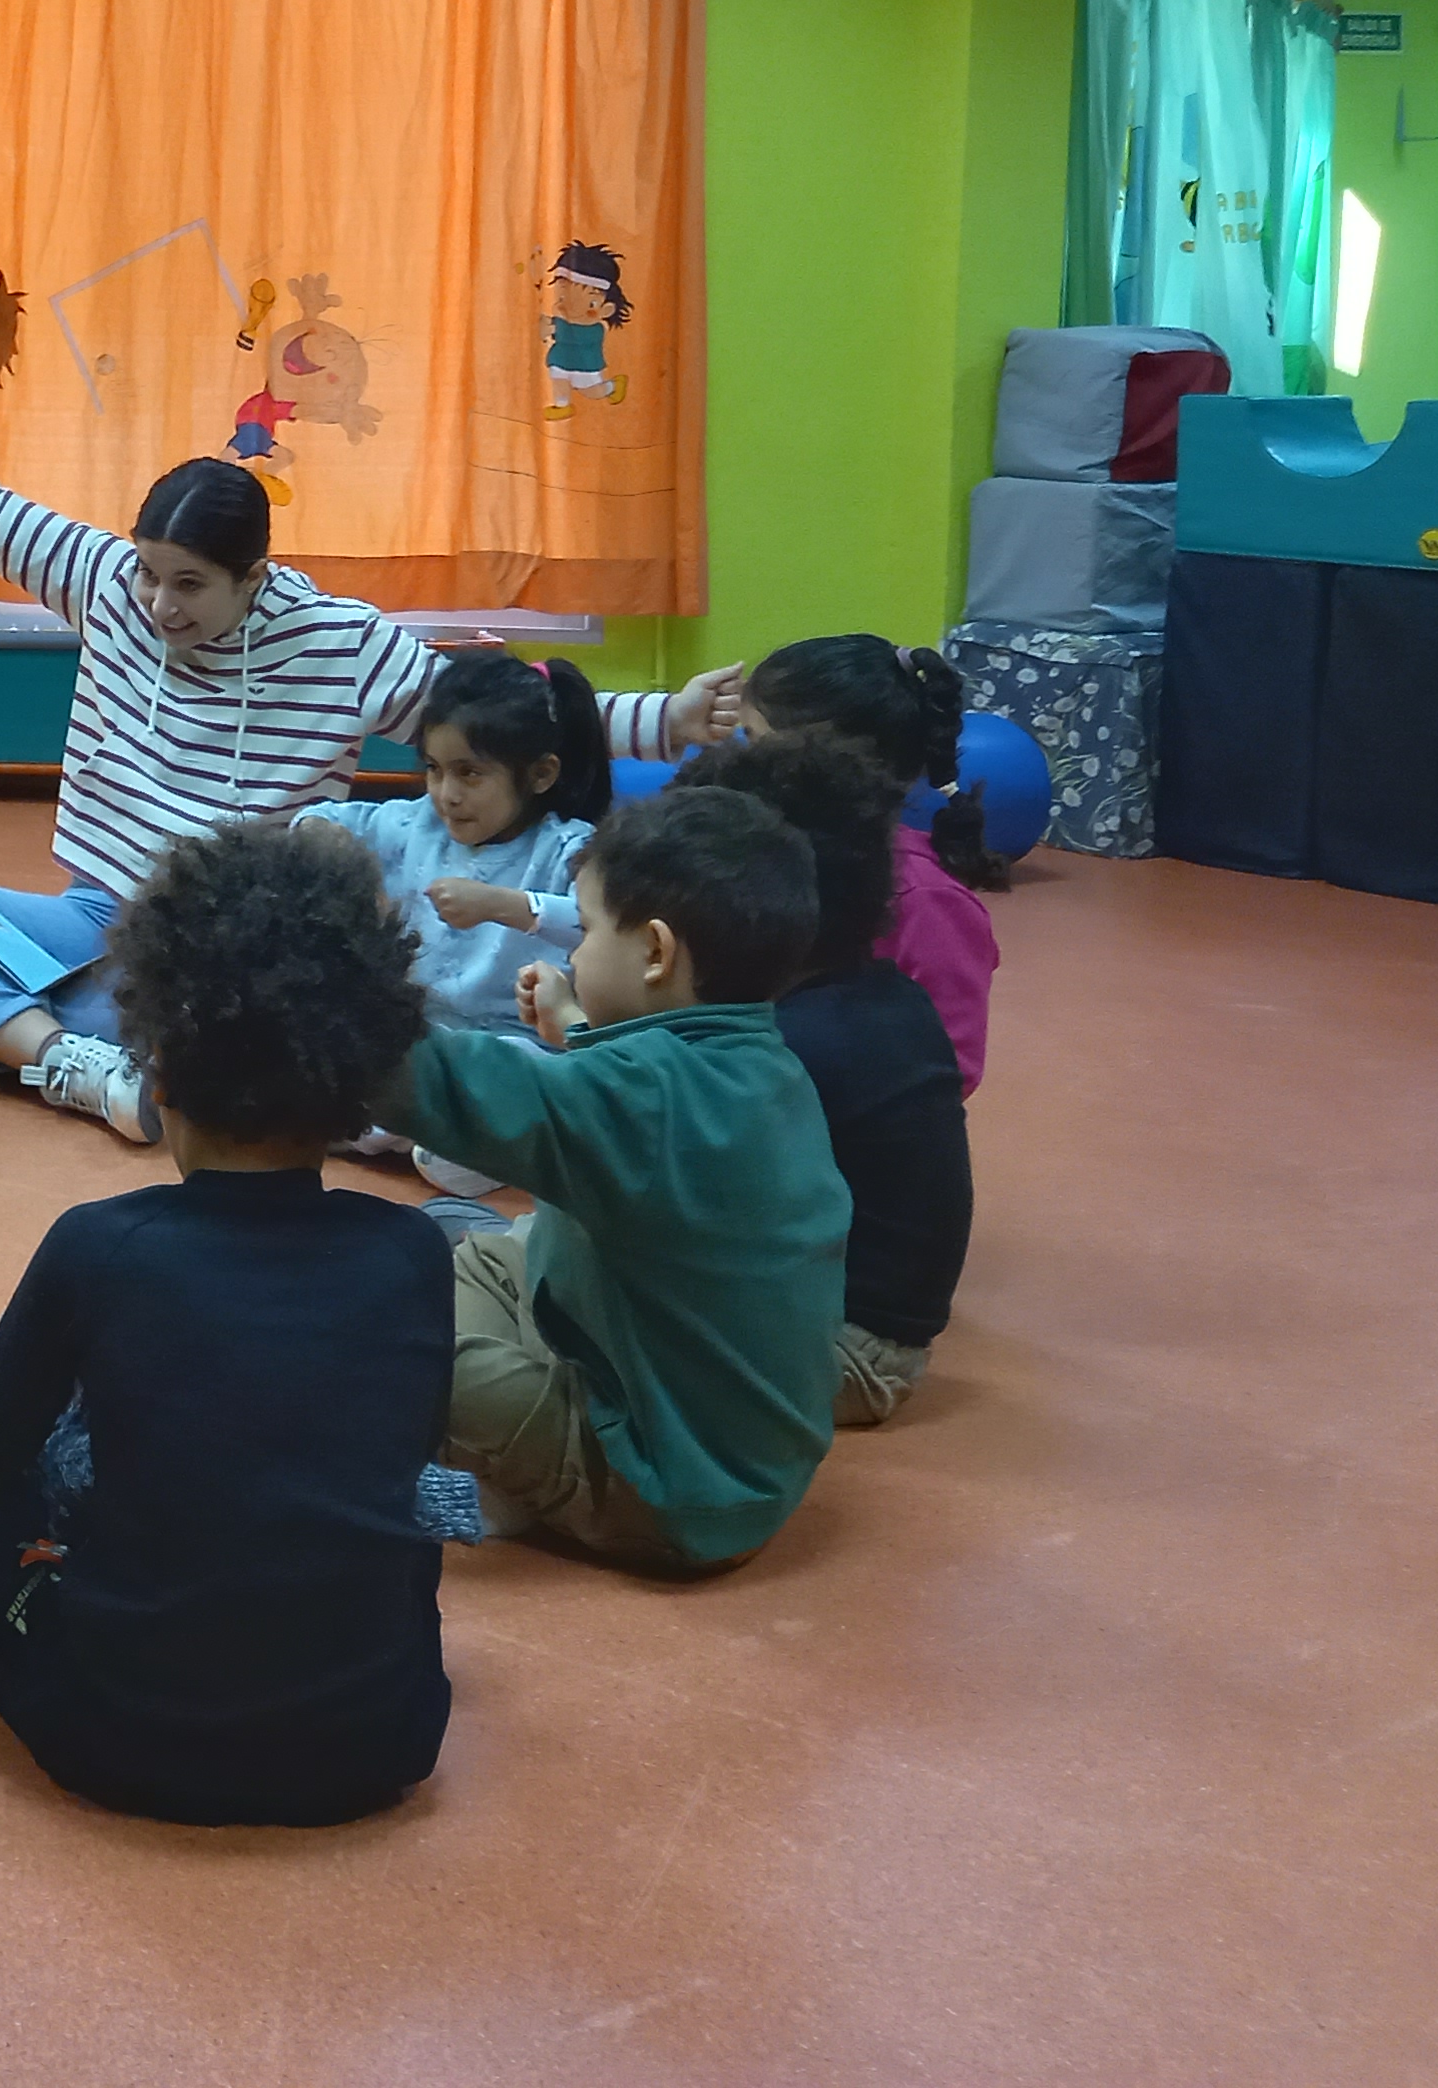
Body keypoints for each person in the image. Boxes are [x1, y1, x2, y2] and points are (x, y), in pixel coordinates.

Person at [0, 369, 740, 1143]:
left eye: (190, 584)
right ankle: (60, 1058)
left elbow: (502, 715)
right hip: (91, 918)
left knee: (234, 1039)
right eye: (149, 574)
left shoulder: (337, 642)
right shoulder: (108, 585)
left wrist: (667, 718)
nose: (160, 605)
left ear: (253, 577)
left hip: (223, 951)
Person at [0, 821, 452, 1826]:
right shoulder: (414, 1252)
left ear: (155, 1071)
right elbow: (389, 1468)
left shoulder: (102, 1246)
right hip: (382, 1736)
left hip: (119, 1734)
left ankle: (15, 1600)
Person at [356, 784, 850, 1574]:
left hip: (665, 1490)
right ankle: (515, 1459)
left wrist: (324, 1012)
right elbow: (637, 1109)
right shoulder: (760, 1064)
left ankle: (497, 1488)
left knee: (386, 1348)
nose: (572, 957)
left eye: (584, 933)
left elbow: (461, 1088)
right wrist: (577, 1025)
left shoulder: (644, 1097)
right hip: (724, 1443)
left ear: (655, 952)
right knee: (490, 1258)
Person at [677, 735, 972, 1428]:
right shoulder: (876, 999)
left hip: (838, 1351)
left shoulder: (793, 1043)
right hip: (860, 1337)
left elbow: (670, 1184)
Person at [304, 650, 613, 1200]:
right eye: (434, 769)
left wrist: (506, 905)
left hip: (512, 1049)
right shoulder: (415, 824)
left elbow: (604, 926)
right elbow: (320, 819)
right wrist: (336, 852)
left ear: (541, 774)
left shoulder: (567, 848)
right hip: (419, 1038)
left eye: (470, 773)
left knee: (522, 1078)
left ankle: (439, 1139)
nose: (447, 794)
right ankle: (431, 1134)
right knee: (330, 1056)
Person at [736, 635, 1008, 1091]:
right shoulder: (769, 853)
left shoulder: (925, 900)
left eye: (753, 741)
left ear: (824, 762)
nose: (740, 764)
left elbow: (950, 1062)